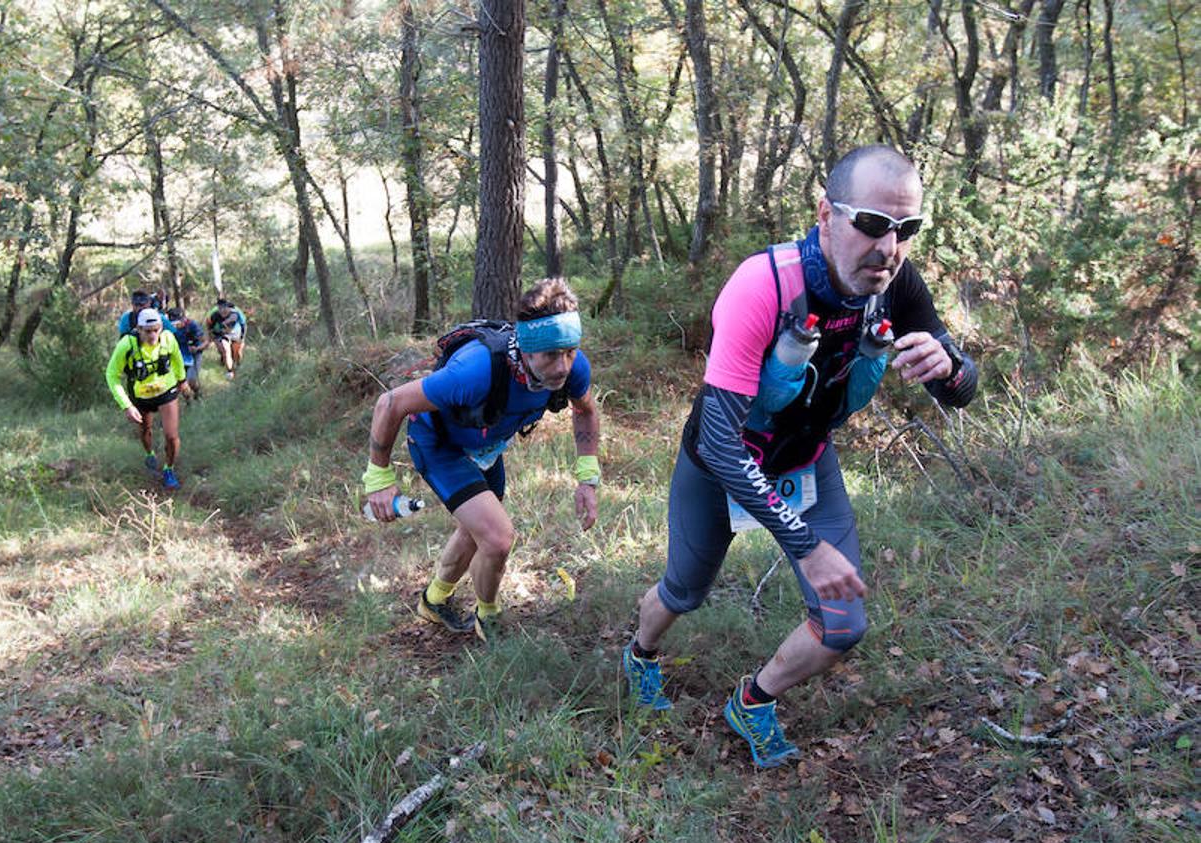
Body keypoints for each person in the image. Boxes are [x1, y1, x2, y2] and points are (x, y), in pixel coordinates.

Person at [621, 145, 978, 767]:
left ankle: (753, 701)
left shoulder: (899, 285)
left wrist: (952, 369)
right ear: (825, 214)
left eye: (906, 230)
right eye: (871, 224)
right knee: (685, 590)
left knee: (844, 623)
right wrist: (806, 548)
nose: (888, 248)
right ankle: (642, 653)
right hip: (720, 464)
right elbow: (718, 440)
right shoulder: (764, 286)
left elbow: (961, 391)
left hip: (807, 461)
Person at [362, 278, 602, 643]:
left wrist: (587, 476)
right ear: (526, 349)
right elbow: (390, 403)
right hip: (438, 444)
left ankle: (434, 600)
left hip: (487, 448)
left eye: (569, 352)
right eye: (551, 355)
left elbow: (585, 410)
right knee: (498, 537)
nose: (563, 366)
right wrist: (378, 478)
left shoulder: (572, 368)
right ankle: (488, 613)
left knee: (478, 531)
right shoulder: (476, 370)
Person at [105, 308, 188, 490]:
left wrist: (182, 380)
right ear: (139, 329)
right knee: (145, 431)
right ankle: (149, 453)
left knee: (171, 436)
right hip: (141, 395)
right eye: (148, 331)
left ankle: (169, 469)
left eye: (156, 330)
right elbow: (112, 375)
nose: (152, 335)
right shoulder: (127, 345)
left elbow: (177, 359)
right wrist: (126, 405)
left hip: (166, 391)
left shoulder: (167, 339)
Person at [168, 307, 209, 400]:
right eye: (173, 323)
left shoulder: (192, 325)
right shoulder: (169, 328)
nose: (175, 326)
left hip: (194, 355)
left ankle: (197, 393)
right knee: (180, 382)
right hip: (179, 355)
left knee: (191, 380)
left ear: (184, 319)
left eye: (178, 323)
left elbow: (206, 342)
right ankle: (188, 402)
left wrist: (197, 348)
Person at [206, 297, 247, 379]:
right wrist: (212, 338)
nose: (222, 311)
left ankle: (238, 364)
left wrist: (242, 338)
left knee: (237, 353)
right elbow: (209, 327)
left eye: (224, 308)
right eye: (220, 309)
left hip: (236, 334)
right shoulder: (213, 314)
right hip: (223, 334)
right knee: (225, 351)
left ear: (228, 307)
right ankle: (230, 371)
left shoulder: (236, 313)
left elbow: (244, 325)